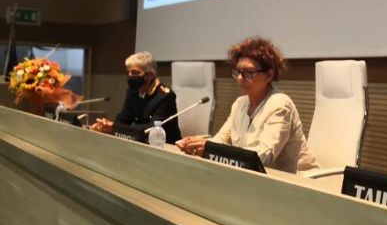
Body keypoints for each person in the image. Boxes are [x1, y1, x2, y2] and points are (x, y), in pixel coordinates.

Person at [177, 37, 318, 174]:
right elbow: (221, 141)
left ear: (269, 75)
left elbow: (262, 158)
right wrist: (197, 145)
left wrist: (209, 149)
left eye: (248, 73)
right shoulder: (240, 103)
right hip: (254, 182)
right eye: (238, 72)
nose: (239, 78)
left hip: (297, 185)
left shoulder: (280, 105)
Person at [91, 51, 182, 144]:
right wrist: (108, 127)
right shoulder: (132, 92)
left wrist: (116, 128)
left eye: (135, 72)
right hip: (140, 142)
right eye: (128, 72)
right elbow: (123, 119)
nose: (130, 76)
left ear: (150, 75)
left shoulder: (165, 96)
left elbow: (152, 129)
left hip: (165, 146)